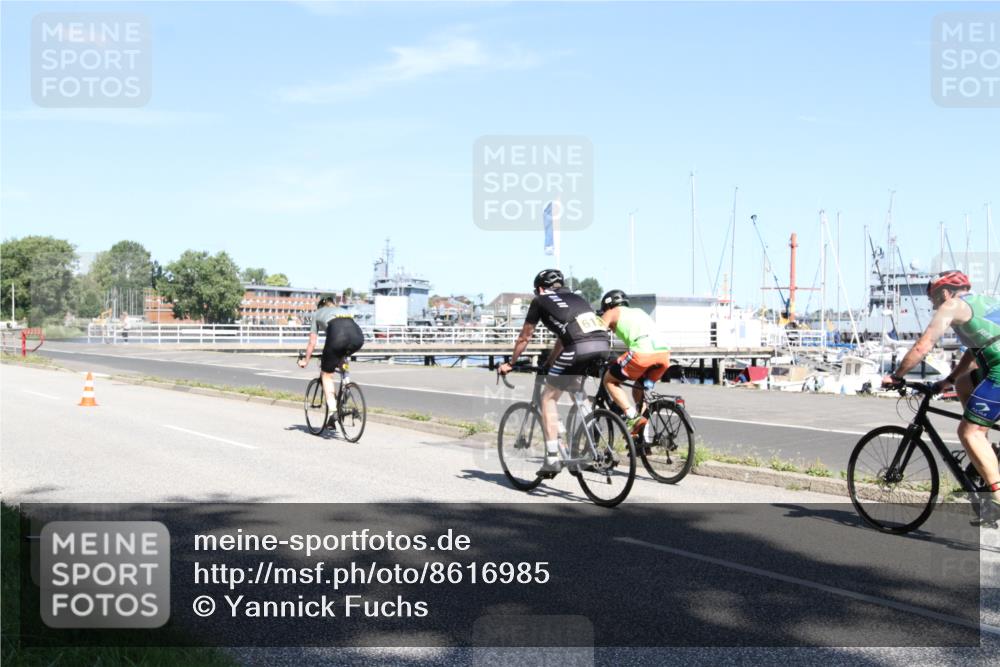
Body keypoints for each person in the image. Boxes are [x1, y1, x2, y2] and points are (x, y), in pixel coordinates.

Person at [882, 270, 1000, 522]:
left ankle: (997, 499)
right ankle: (988, 453)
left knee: (969, 432)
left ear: (944, 292)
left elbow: (923, 345)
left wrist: (897, 375)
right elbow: (974, 351)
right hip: (992, 367)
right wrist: (949, 380)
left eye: (933, 297)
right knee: (965, 383)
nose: (932, 304)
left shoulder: (951, 305)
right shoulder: (984, 302)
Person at [498, 269, 610, 473]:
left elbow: (525, 337)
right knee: (574, 386)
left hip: (578, 348)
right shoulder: (577, 297)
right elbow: (563, 337)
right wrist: (550, 361)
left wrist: (511, 363)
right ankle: (593, 438)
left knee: (547, 399)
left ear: (540, 288)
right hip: (602, 345)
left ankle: (551, 458)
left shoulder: (541, 300)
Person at [597, 290, 671, 436]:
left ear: (608, 305)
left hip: (642, 353)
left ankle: (632, 417)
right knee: (639, 387)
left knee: (610, 380)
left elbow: (595, 334)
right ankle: (644, 437)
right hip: (664, 354)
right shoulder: (639, 312)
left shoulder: (611, 312)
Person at [298, 296, 365, 419]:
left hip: (337, 336)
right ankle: (347, 385)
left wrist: (306, 360)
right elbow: (347, 330)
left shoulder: (317, 313)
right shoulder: (342, 310)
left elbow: (312, 342)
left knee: (326, 375)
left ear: (320, 306)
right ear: (332, 304)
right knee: (342, 358)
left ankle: (332, 411)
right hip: (358, 337)